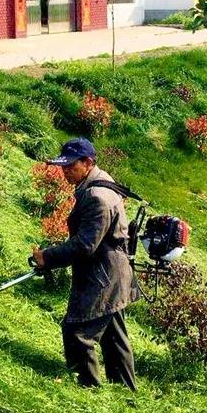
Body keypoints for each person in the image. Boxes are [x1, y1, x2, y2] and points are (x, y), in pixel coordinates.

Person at [32, 138, 139, 390]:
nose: (65, 171)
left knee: (77, 332)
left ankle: (86, 388)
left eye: (71, 166)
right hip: (114, 272)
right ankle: (125, 391)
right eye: (63, 166)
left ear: (88, 163)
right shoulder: (100, 181)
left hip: (104, 276)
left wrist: (47, 257)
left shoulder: (97, 196)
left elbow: (84, 245)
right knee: (113, 336)